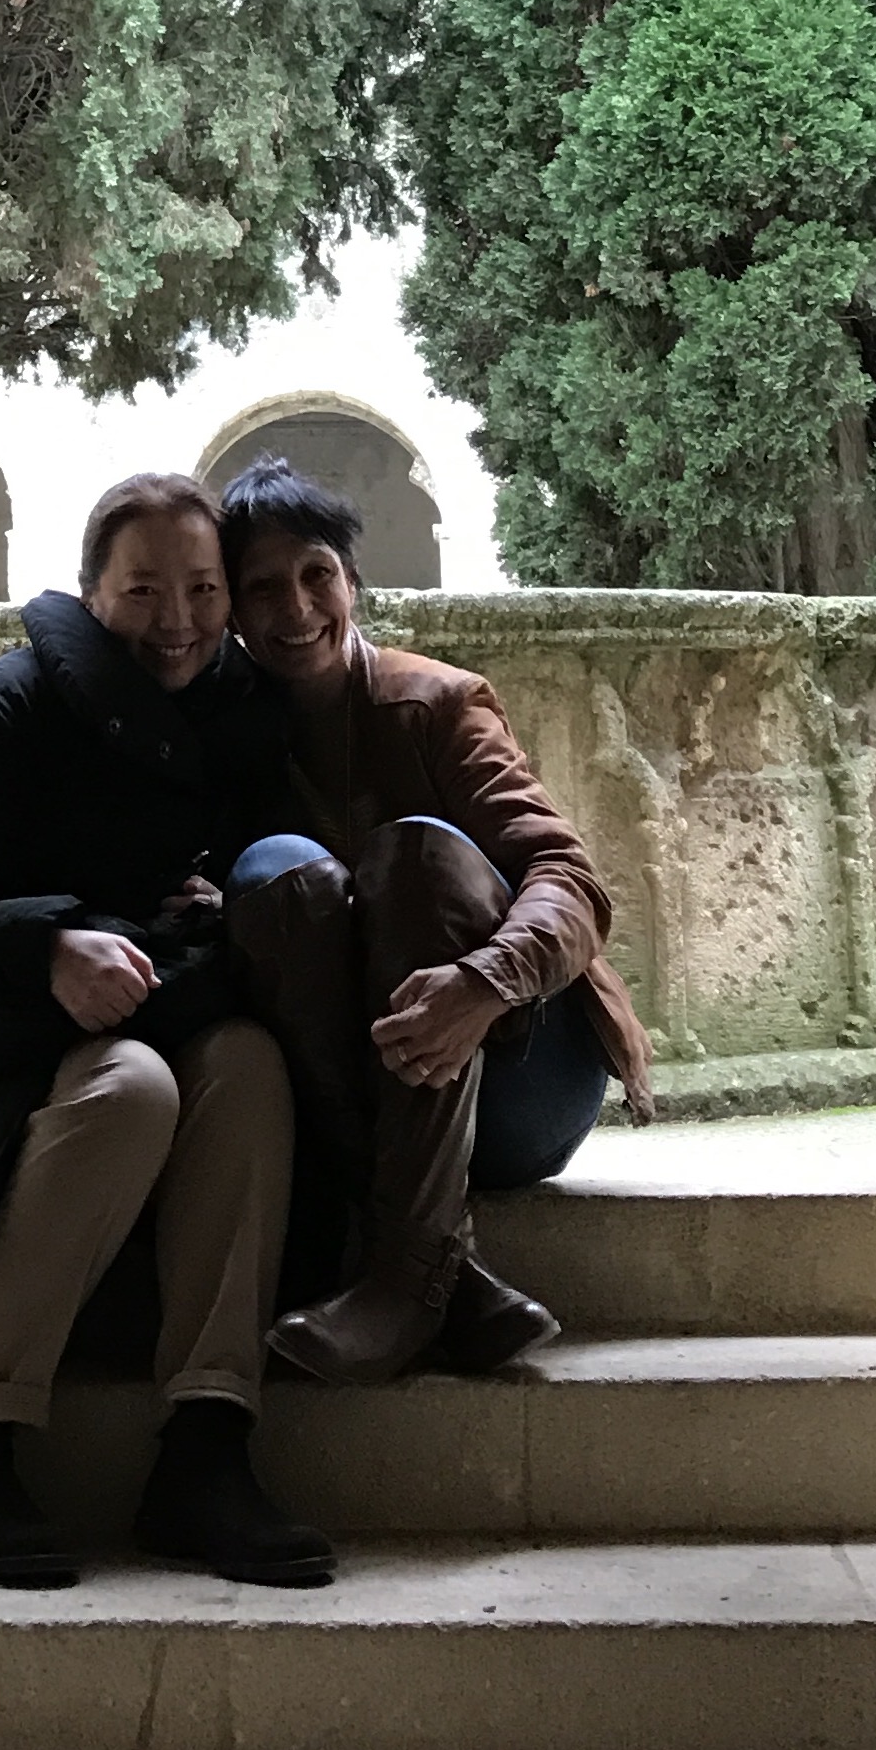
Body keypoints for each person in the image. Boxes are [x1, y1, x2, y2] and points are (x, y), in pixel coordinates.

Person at [0, 471, 331, 1592]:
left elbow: (278, 887)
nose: (178, 620)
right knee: (131, 1085)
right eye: (144, 590)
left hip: (160, 1012)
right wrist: (48, 947)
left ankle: (206, 1449)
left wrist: (217, 917)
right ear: (93, 591)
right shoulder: (7, 708)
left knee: (245, 1066)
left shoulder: (242, 717)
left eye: (202, 589)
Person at [216, 454, 658, 1386]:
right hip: (354, 1096)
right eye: (262, 587)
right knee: (273, 871)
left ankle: (394, 1285)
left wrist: (483, 982)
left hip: (518, 1082)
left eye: (316, 574)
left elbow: (570, 880)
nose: (296, 607)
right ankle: (440, 1280)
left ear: (350, 581)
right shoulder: (215, 737)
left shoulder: (436, 704)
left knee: (416, 854)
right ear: (231, 613)